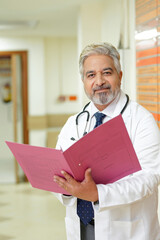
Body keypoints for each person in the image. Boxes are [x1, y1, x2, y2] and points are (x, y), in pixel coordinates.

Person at [53, 42, 160, 240]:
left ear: (120, 75)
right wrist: (68, 191)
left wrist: (97, 194)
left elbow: (150, 179)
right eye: (91, 75)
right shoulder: (73, 123)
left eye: (107, 72)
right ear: (84, 81)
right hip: (82, 228)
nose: (99, 81)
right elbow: (58, 172)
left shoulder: (141, 120)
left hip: (126, 230)